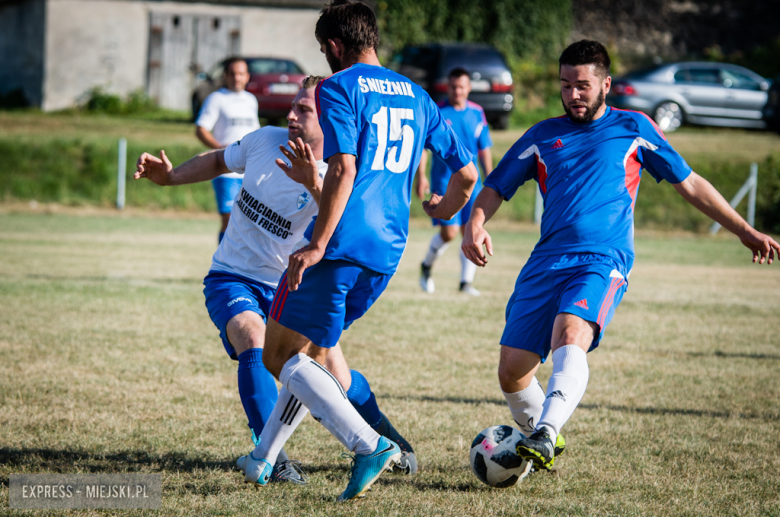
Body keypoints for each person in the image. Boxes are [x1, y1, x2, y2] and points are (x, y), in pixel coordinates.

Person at [462, 40, 780, 472]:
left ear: (606, 84)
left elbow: (690, 183)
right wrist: (476, 222)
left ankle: (547, 431)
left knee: (571, 333)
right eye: (566, 85)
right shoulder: (541, 136)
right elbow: (496, 186)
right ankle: (542, 440)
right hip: (545, 263)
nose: (574, 94)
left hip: (601, 258)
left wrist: (743, 230)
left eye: (584, 85)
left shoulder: (634, 127)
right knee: (512, 372)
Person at [242, 0, 478, 501]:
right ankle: (262, 458)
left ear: (333, 46)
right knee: (310, 354)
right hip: (388, 249)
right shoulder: (417, 94)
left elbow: (344, 169)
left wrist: (316, 245)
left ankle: (369, 444)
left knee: (279, 354)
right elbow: (467, 174)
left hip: (342, 244)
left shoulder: (338, 87)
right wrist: (441, 211)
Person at [134, 76, 417, 485]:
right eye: (293, 106)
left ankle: (390, 443)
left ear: (332, 120)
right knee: (254, 339)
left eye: (304, 110)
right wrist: (172, 176)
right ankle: (274, 458)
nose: (291, 115)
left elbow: (340, 229)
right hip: (232, 277)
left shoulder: (339, 173)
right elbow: (218, 160)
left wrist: (312, 182)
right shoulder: (265, 140)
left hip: (291, 287)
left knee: (338, 377)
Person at [416, 67, 493, 296]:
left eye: (461, 86)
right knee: (449, 233)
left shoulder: (477, 113)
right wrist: (421, 177)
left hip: (473, 185)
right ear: (447, 87)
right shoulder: (437, 111)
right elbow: (424, 149)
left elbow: (484, 148)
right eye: (453, 86)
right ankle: (426, 265)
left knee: (470, 230)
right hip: (443, 182)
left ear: (468, 88)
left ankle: (465, 283)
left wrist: (492, 179)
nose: (457, 91)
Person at [195, 57, 260, 243]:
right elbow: (201, 129)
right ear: (225, 76)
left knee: (250, 221)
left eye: (240, 74)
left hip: (251, 171)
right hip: (227, 171)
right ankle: (222, 265)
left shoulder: (251, 100)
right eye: (232, 74)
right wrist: (220, 149)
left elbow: (254, 133)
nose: (236, 78)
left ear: (247, 76)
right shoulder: (216, 98)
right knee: (229, 219)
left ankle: (242, 267)